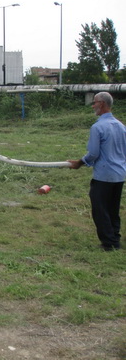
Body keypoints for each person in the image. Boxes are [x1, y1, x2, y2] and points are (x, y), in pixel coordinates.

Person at [68, 92, 126, 251]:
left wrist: (79, 163)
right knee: (113, 208)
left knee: (100, 209)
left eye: (94, 103)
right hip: (119, 175)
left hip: (104, 176)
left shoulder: (98, 127)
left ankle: (109, 243)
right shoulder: (121, 126)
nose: (93, 106)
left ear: (101, 104)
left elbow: (94, 153)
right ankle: (115, 238)